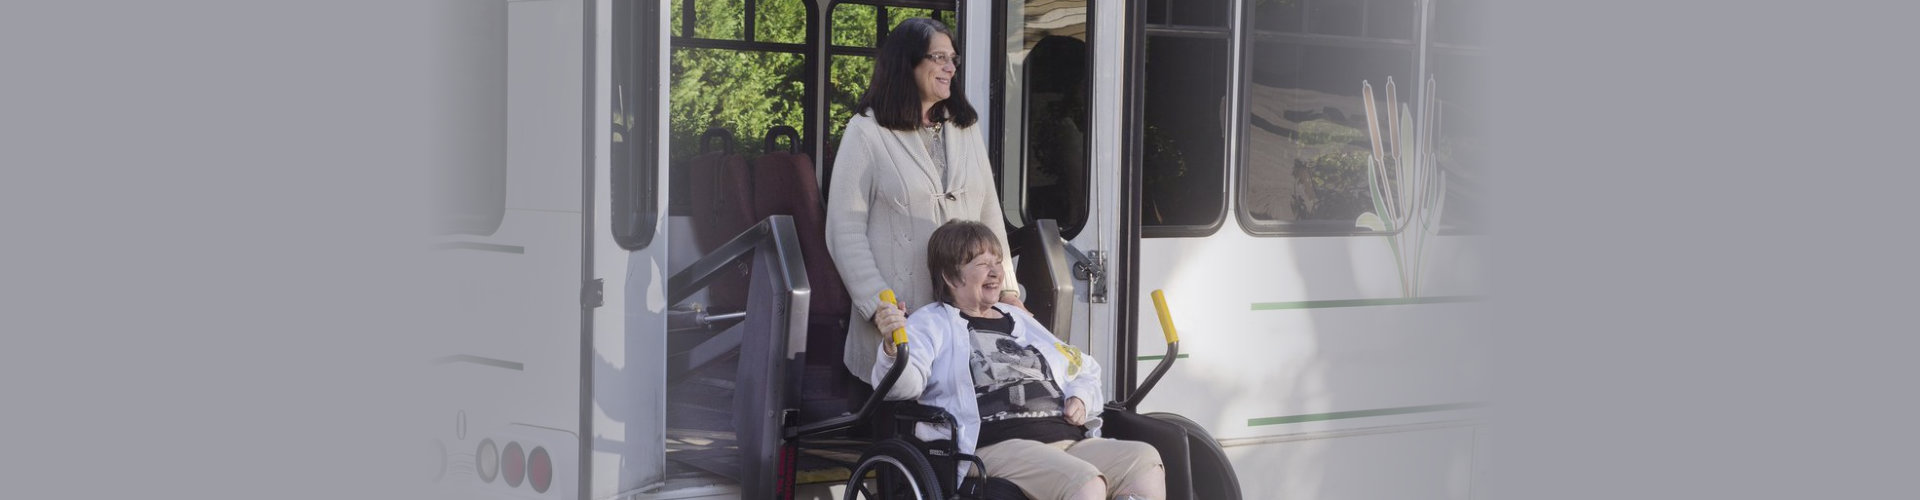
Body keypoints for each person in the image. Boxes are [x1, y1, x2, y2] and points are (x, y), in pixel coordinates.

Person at [872, 220, 1167, 500]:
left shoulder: (1018, 318)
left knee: (1144, 460)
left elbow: (1081, 367)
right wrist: (892, 346)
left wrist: (1081, 397)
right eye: (982, 264)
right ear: (951, 277)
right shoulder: (931, 323)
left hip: (1065, 441)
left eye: (998, 262)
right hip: (995, 445)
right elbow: (902, 387)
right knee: (1085, 482)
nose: (996, 272)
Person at [827, 17, 1024, 385]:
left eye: (953, 58)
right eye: (939, 57)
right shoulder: (866, 132)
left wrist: (1008, 291)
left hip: (968, 319)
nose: (950, 67)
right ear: (908, 63)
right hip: (901, 322)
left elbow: (989, 215)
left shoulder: (965, 128)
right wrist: (878, 307)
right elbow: (844, 231)